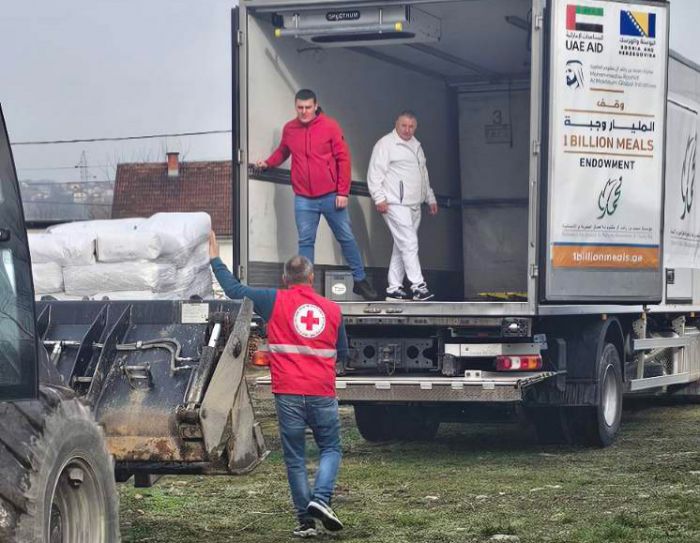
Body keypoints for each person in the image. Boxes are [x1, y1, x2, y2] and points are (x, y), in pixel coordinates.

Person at [209, 231, 346, 538]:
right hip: (322, 392)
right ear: (311, 278)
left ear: (286, 279)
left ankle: (305, 521)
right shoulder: (333, 310)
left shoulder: (274, 300)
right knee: (331, 449)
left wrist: (215, 257)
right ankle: (321, 500)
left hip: (288, 393)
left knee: (295, 457)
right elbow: (342, 355)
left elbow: (233, 290)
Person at [255, 88, 377, 301]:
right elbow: (283, 151)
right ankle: (304, 289)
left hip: (331, 195)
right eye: (300, 108)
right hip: (304, 197)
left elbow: (343, 159)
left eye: (308, 108)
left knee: (346, 237)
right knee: (305, 242)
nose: (304, 112)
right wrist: (268, 163)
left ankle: (360, 279)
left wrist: (342, 192)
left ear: (315, 105)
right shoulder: (290, 129)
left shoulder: (330, 126)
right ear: (295, 107)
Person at [367, 111, 438, 301]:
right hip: (394, 203)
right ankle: (418, 286)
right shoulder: (386, 144)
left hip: (414, 204)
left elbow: (423, 174)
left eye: (411, 126)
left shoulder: (417, 146)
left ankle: (394, 288)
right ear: (396, 124)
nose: (407, 130)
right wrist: (378, 197)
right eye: (403, 126)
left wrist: (430, 197)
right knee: (409, 243)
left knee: (402, 246)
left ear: (416, 127)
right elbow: (375, 173)